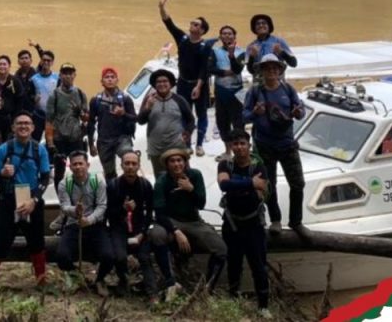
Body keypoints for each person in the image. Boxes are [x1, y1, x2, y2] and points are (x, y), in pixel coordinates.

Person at [0, 112, 51, 297]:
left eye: (27, 123)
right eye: (19, 123)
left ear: (33, 128)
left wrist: (34, 200)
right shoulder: (3, 150)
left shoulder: (40, 150)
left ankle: (41, 280)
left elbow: (45, 178)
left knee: (37, 242)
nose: (23, 126)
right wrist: (2, 174)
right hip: (8, 200)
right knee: (0, 243)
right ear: (13, 127)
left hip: (31, 200)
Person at [148, 149, 227, 294]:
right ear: (167, 165)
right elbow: (159, 213)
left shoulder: (195, 175)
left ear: (185, 162)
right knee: (157, 234)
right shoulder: (162, 181)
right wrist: (176, 231)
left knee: (221, 249)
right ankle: (170, 282)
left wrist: (191, 189)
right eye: (172, 161)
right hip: (171, 221)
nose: (176, 164)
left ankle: (207, 288)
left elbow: (201, 204)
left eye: (179, 160)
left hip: (193, 221)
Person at [242, 54, 306, 233]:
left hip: (287, 144)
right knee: (269, 185)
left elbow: (300, 112)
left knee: (298, 184)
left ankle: (296, 222)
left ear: (279, 70)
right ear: (261, 72)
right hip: (265, 146)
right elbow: (244, 117)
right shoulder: (254, 92)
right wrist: (255, 113)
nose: (271, 71)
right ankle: (275, 220)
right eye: (267, 68)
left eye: (274, 68)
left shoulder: (288, 89)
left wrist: (298, 112)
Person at [96, 151, 161, 303]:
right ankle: (123, 281)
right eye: (127, 163)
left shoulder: (145, 185)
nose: (130, 167)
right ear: (121, 165)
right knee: (120, 257)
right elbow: (107, 213)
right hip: (119, 228)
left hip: (139, 228)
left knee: (144, 257)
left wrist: (143, 233)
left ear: (138, 166)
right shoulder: (113, 186)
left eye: (134, 163)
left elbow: (150, 213)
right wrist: (123, 209)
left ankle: (152, 293)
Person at [218, 130, 271, 316]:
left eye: (242, 143)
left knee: (259, 266)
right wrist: (250, 183)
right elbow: (223, 184)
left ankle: (263, 306)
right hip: (232, 223)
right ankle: (234, 301)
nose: (239, 147)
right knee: (233, 264)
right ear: (231, 146)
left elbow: (261, 187)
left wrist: (237, 183)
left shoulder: (259, 166)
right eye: (235, 144)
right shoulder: (225, 164)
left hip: (253, 224)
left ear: (249, 145)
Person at [158, 0, 214, 155]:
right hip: (183, 83)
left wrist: (198, 86)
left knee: (201, 114)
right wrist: (161, 7)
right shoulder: (182, 39)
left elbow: (204, 69)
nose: (192, 25)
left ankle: (200, 144)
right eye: (191, 23)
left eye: (196, 24)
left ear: (202, 30)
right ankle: (187, 143)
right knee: (184, 113)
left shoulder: (205, 46)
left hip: (199, 84)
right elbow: (168, 23)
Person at [55, 151, 113, 293]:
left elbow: (102, 206)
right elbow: (64, 206)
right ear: (70, 167)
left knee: (109, 256)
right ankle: (77, 276)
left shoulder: (97, 181)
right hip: (73, 225)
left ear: (87, 165)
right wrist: (75, 210)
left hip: (95, 225)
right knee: (61, 256)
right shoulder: (64, 184)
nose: (78, 167)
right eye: (74, 164)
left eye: (81, 163)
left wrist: (90, 220)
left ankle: (99, 279)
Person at [136, 69, 194, 177]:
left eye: (165, 81)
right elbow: (140, 121)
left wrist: (187, 133)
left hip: (177, 145)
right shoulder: (149, 99)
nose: (162, 84)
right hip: (156, 148)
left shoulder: (179, 100)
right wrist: (148, 108)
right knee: (161, 179)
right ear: (154, 85)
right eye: (158, 82)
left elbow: (191, 120)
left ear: (170, 84)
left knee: (184, 176)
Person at [86, 67, 137, 180]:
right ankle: (113, 189)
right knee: (109, 174)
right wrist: (91, 144)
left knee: (129, 160)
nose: (110, 79)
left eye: (112, 77)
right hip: (104, 141)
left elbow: (135, 118)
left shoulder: (126, 99)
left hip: (122, 138)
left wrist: (123, 114)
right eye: (107, 77)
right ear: (102, 81)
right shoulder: (96, 100)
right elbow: (91, 123)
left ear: (117, 80)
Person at [45, 63, 89, 185]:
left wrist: (80, 112)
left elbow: (86, 118)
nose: (68, 76)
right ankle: (60, 194)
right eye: (65, 73)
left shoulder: (80, 93)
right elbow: (49, 120)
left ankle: (81, 193)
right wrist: (50, 142)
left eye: (70, 73)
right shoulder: (54, 95)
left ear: (74, 75)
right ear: (60, 75)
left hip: (76, 138)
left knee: (80, 169)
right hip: (59, 139)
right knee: (59, 171)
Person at [208, 25, 246, 158]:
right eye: (224, 33)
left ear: (234, 36)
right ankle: (228, 151)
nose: (227, 36)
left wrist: (231, 55)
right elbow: (210, 68)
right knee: (222, 122)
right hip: (221, 90)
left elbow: (238, 69)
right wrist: (225, 72)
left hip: (237, 91)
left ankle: (240, 151)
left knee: (239, 122)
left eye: (230, 33)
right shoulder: (215, 51)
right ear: (220, 37)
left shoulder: (242, 52)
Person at [0, 55, 32, 154]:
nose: (2, 66)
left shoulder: (15, 81)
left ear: (9, 66)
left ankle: (6, 157)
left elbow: (21, 99)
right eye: (0, 64)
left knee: (7, 141)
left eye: (4, 64)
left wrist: (17, 116)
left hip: (9, 117)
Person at [245, 15, 297, 82]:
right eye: (258, 24)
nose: (261, 25)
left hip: (278, 83)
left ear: (269, 26)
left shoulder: (279, 41)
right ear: (254, 28)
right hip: (259, 84)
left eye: (264, 23)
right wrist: (252, 57)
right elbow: (250, 71)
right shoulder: (250, 46)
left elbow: (294, 63)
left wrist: (282, 52)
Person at [29, 48, 58, 142]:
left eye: (48, 60)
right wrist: (34, 99)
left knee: (53, 142)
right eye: (44, 60)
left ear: (52, 62)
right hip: (38, 115)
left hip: (53, 116)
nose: (46, 62)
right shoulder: (33, 79)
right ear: (40, 61)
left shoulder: (57, 78)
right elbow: (29, 97)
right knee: (34, 141)